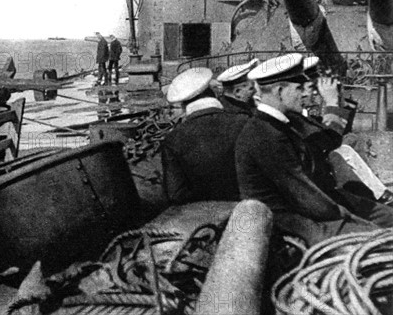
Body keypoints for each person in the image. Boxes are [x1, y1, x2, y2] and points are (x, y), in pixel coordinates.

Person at [235, 54, 393, 246]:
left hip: (309, 206)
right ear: (279, 91)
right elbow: (300, 192)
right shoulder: (264, 134)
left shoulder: (280, 123)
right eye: (299, 88)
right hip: (288, 219)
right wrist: (343, 214)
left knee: (384, 225)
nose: (305, 93)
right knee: (379, 241)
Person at [289, 56, 393, 207]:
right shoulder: (294, 115)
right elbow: (327, 141)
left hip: (319, 166)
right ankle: (375, 197)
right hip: (311, 177)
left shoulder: (305, 111)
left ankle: (375, 195)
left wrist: (339, 99)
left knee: (351, 140)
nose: (315, 94)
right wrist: (331, 103)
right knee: (342, 151)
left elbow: (342, 132)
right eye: (312, 88)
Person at [161, 68, 249, 204]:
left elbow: (175, 194)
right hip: (245, 209)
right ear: (213, 94)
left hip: (202, 215)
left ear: (184, 106)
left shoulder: (173, 139)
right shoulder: (244, 123)